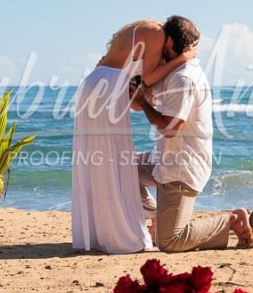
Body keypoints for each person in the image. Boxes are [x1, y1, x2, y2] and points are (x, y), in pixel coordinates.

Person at [130, 15, 253, 252]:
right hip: (166, 162)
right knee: (119, 166)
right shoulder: (173, 72)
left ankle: (232, 220)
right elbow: (137, 102)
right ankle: (160, 217)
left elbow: (169, 128)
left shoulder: (183, 77)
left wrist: (144, 103)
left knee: (170, 242)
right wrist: (140, 95)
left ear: (167, 42)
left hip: (181, 171)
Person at [71, 20, 194, 254]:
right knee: (114, 159)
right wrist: (183, 59)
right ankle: (121, 233)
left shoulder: (141, 32)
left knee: (101, 161)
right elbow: (148, 78)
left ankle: (101, 232)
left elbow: (139, 90)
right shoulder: (157, 33)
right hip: (107, 88)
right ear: (171, 40)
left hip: (96, 83)